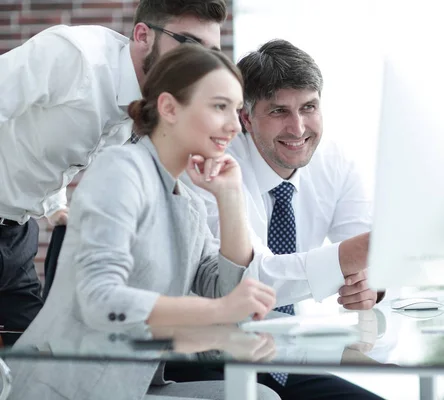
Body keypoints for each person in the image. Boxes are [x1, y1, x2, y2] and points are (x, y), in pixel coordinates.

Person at [7, 44, 279, 400]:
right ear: (168, 107)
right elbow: (100, 298)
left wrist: (230, 198)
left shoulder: (186, 198)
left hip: (133, 384)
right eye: (219, 107)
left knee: (260, 396)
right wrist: (217, 315)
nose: (233, 125)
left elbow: (226, 291)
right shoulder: (121, 169)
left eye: (237, 110)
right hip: (68, 386)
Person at [0, 0, 229, 346]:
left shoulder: (146, 103)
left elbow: (44, 145)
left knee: (31, 357)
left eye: (211, 53)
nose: (199, 64)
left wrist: (54, 206)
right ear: (143, 35)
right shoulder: (74, 57)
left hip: (17, 235)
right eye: (190, 45)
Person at [176, 39, 384, 400]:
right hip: (205, 355)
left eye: (309, 107)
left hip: (284, 357)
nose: (298, 127)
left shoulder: (336, 161)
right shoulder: (211, 167)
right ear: (245, 117)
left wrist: (371, 284)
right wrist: (349, 258)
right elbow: (248, 281)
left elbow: (367, 256)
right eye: (278, 112)